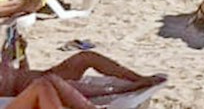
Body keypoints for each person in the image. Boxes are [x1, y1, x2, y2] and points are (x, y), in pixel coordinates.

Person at [0, 40, 166, 106]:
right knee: (50, 81)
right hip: (35, 87)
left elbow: (20, 75)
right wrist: (6, 59)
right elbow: (8, 91)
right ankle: (122, 89)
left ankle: (138, 78)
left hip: (43, 76)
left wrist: (22, 55)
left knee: (86, 57)